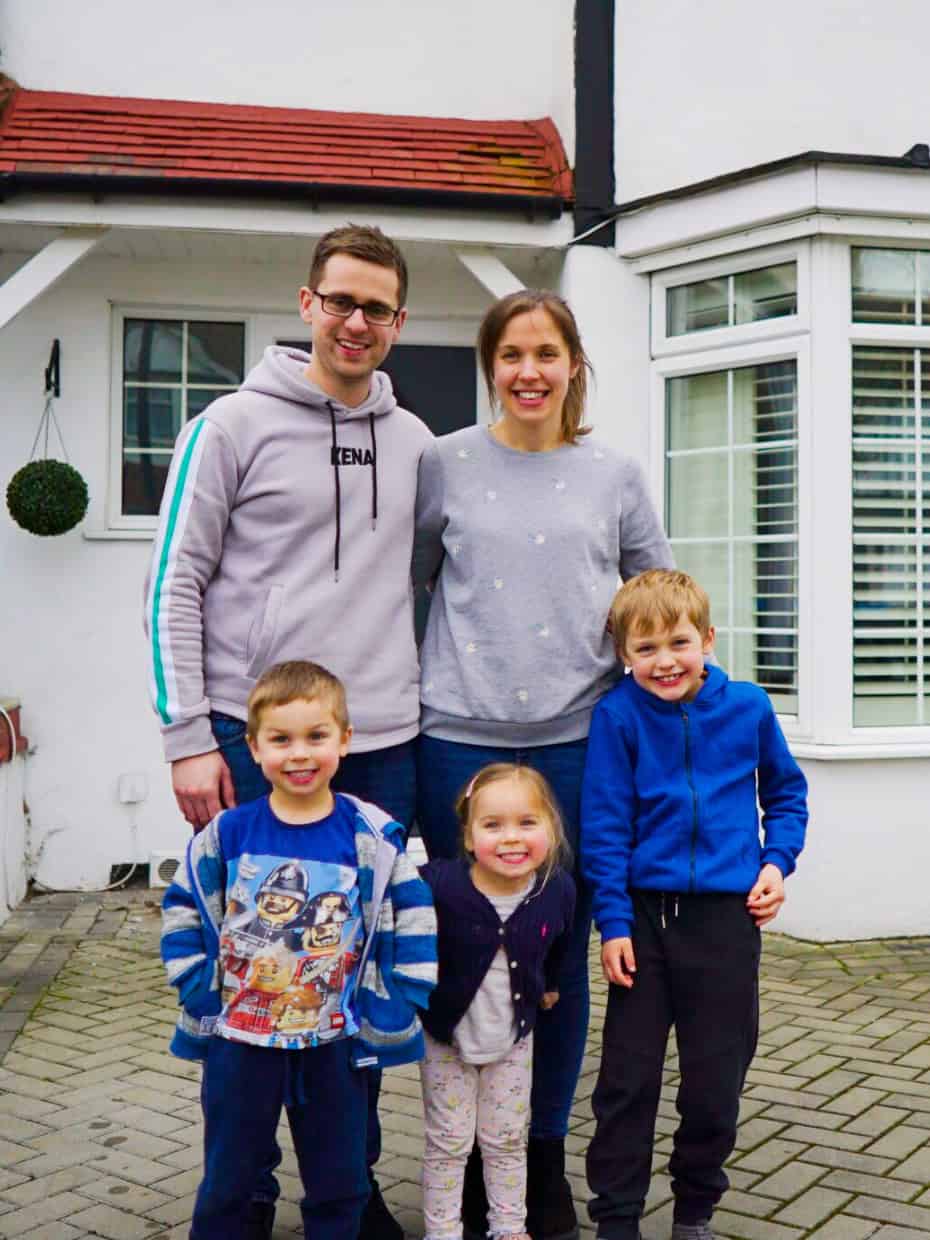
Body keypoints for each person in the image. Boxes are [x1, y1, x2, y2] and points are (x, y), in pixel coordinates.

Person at [145, 223, 431, 1237]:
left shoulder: (417, 445)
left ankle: (346, 1191)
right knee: (255, 967)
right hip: (246, 737)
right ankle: (243, 1190)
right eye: (342, 301)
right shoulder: (228, 426)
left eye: (379, 308)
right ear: (308, 302)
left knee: (361, 974)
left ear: (399, 321)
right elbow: (173, 582)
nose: (358, 322)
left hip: (385, 746)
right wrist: (186, 735)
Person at [414, 289, 674, 1240]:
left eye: (547, 353)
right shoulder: (443, 463)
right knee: (461, 958)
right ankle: (462, 1153)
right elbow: (410, 582)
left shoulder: (612, 473)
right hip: (457, 738)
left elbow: (654, 594)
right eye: (511, 353)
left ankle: (536, 1154)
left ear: (574, 365)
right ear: (492, 365)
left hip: (577, 744)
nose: (529, 371)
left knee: (555, 964)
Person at [160, 660, 437, 1240]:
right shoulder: (229, 833)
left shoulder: (369, 836)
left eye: (316, 736)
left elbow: (413, 917)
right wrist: (199, 987)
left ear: (345, 740)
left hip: (334, 1045)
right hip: (240, 1044)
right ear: (254, 749)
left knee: (341, 1186)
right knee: (229, 1182)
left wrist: (389, 1009)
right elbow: (183, 907)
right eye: (280, 739)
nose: (300, 754)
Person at [580, 570, 808, 1240]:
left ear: (707, 639)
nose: (664, 661)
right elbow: (604, 826)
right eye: (644, 648)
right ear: (624, 656)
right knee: (626, 1084)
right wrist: (613, 924)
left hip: (725, 924)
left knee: (715, 1082)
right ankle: (616, 1218)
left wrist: (776, 863)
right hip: (644, 925)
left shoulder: (750, 709)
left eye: (678, 642)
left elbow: (787, 798)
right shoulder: (617, 716)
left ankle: (694, 1209)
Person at [419, 764, 576, 1240]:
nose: (511, 838)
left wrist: (548, 983)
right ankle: (442, 1230)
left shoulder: (557, 890)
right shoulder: (438, 884)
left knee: (506, 1139)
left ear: (550, 829)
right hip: (446, 1038)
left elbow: (561, 944)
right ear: (468, 838)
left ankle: (508, 1227)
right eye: (493, 825)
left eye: (527, 823)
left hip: (513, 1039)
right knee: (448, 1142)